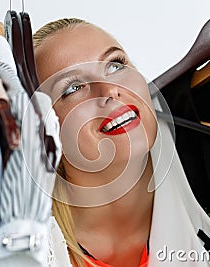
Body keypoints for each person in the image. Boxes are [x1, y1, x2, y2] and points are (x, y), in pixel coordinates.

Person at [33, 18, 169, 267]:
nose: (109, 90)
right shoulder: (34, 250)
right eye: (73, 88)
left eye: (115, 65)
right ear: (45, 130)